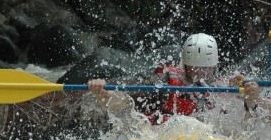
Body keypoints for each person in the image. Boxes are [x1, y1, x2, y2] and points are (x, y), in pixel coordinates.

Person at [88, 32, 222, 124]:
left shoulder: (221, 89)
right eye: (193, 68)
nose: (199, 73)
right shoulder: (163, 83)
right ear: (185, 65)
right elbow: (125, 100)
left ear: (214, 66)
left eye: (205, 68)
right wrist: (103, 92)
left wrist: (244, 98)